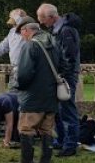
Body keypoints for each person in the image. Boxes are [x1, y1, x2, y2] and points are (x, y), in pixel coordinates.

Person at [37, 3, 81, 157]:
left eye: (42, 19)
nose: (41, 23)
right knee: (60, 111)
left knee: (68, 111)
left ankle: (70, 146)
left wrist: (61, 75)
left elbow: (69, 56)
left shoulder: (66, 30)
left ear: (51, 17)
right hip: (61, 76)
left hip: (65, 77)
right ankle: (62, 140)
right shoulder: (59, 30)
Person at [16, 16, 60, 163]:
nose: (21, 36)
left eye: (21, 32)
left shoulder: (30, 46)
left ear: (26, 30)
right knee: (47, 130)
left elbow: (23, 75)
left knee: (26, 129)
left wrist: (19, 87)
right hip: (51, 96)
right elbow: (64, 66)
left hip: (32, 99)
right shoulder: (54, 42)